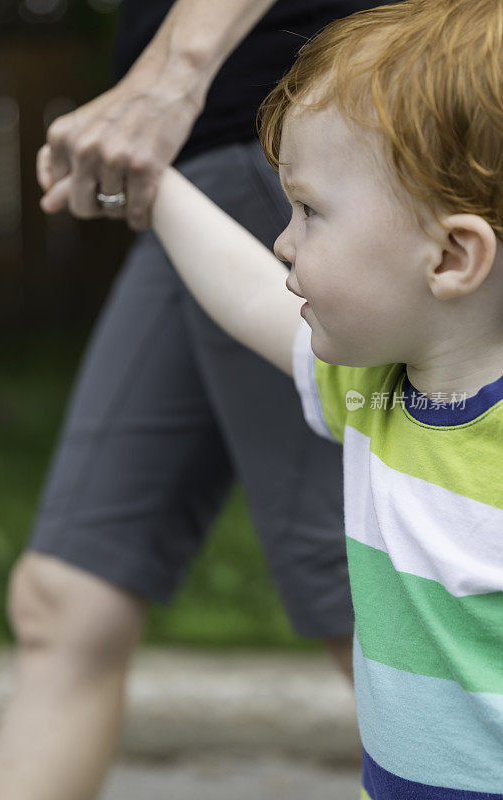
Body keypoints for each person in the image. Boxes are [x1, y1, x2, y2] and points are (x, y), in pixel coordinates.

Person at [0, 2, 392, 800]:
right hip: (199, 161)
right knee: (67, 598)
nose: (286, 253)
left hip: (297, 129)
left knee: (375, 596)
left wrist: (170, 77)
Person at [89, 0, 501, 796]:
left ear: (451, 255)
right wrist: (152, 178)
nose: (282, 240)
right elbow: (248, 294)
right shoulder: (376, 390)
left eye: (310, 212)